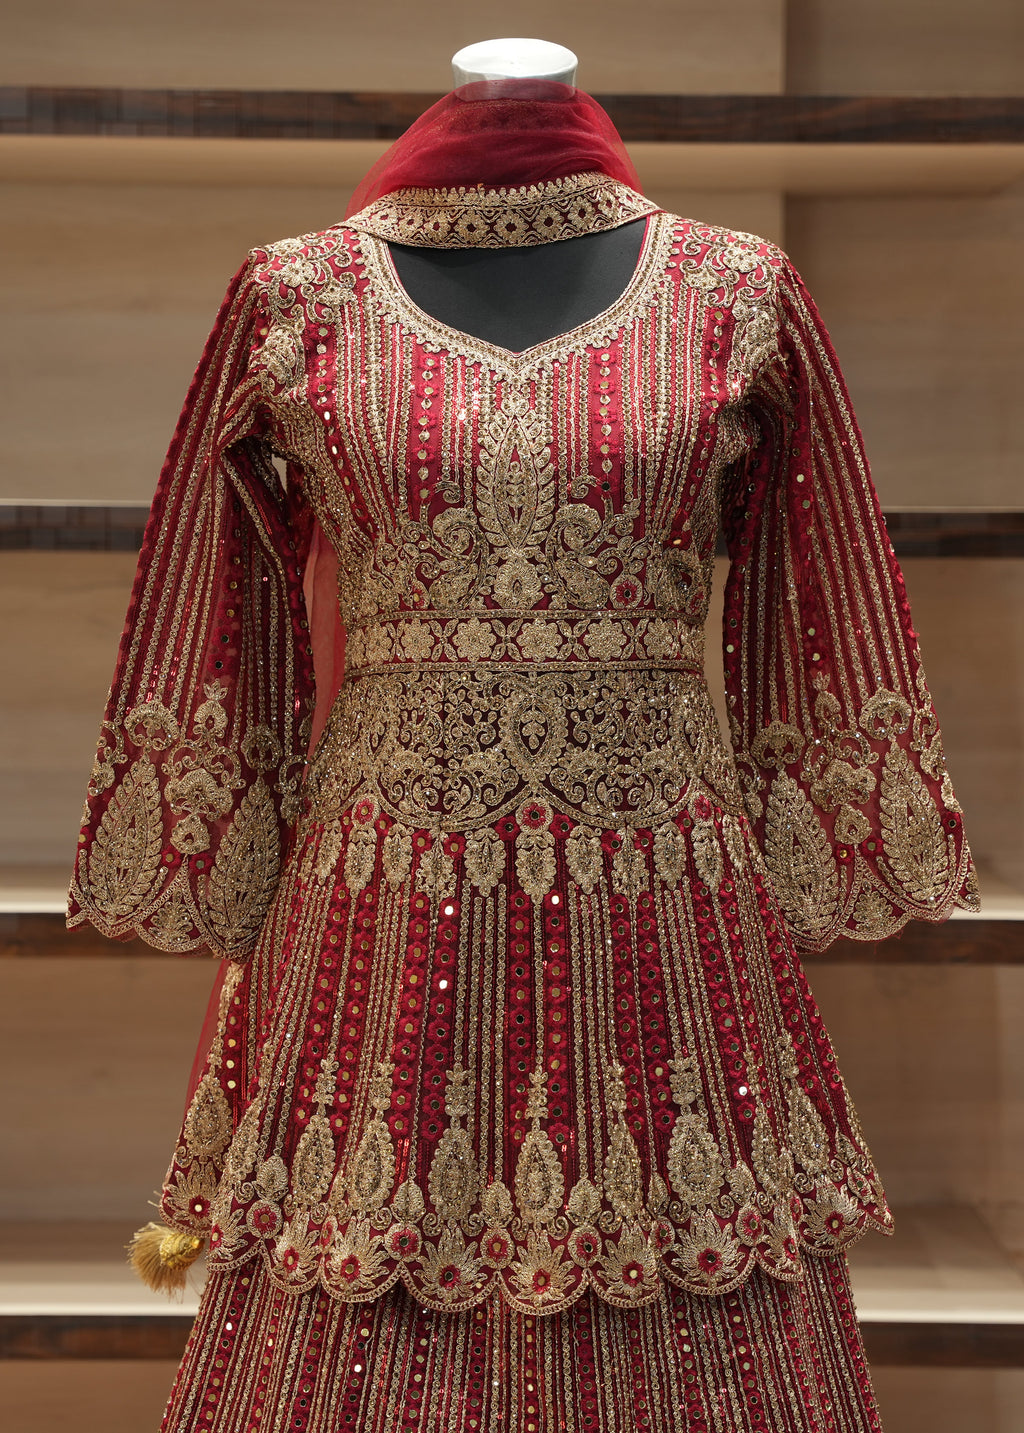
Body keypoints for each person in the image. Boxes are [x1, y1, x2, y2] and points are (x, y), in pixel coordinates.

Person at [69, 41, 977, 1433]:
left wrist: (831, 808)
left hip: (662, 881)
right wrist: (220, 820)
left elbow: (817, 579)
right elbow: (220, 576)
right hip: (381, 889)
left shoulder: (739, 292)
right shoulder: (297, 294)